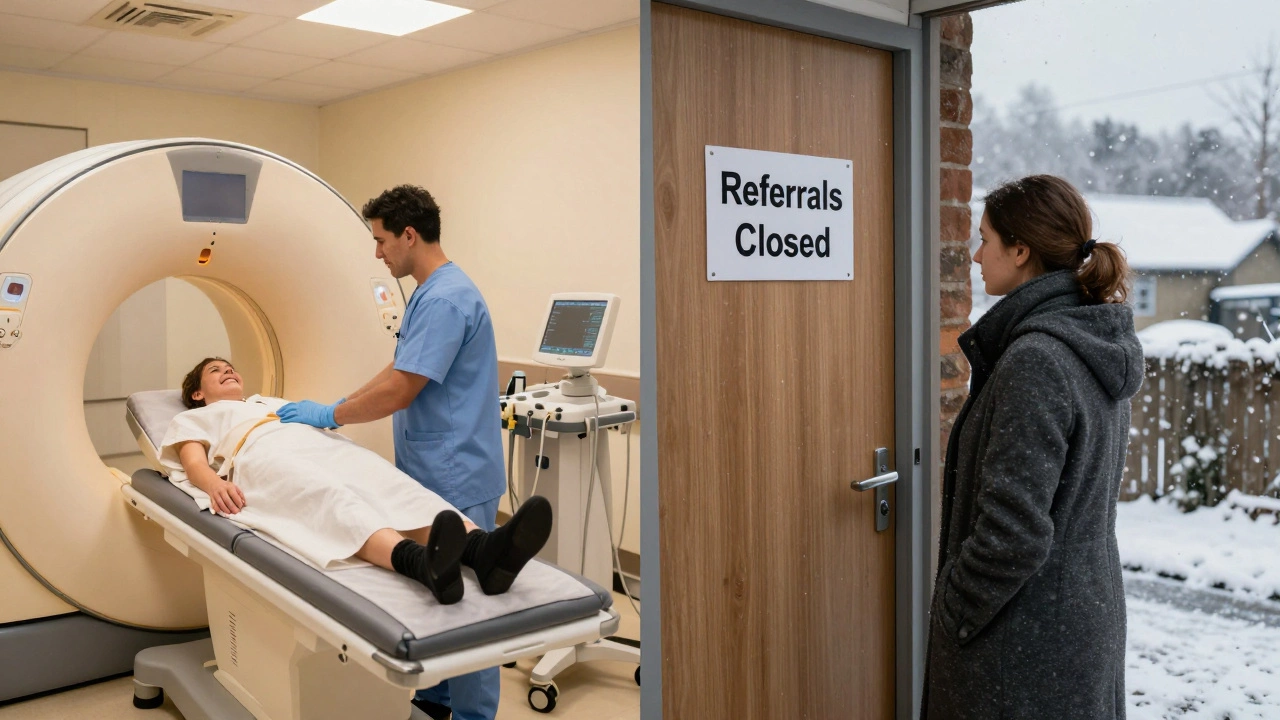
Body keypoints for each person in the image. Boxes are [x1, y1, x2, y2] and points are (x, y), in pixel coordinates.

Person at [276, 185, 507, 720]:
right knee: (439, 594)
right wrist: (337, 403)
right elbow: (400, 368)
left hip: (458, 471)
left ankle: (474, 715)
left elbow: (403, 390)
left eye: (381, 241)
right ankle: (435, 699)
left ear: (409, 234)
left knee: (471, 608)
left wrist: (331, 416)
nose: (376, 253)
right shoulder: (430, 292)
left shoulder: (447, 298)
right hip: (436, 470)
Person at [921, 175, 1143, 720]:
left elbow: (1013, 533)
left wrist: (955, 606)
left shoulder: (1038, 360)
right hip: (1076, 624)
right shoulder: (1090, 341)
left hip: (1021, 645)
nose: (975, 255)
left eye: (985, 239)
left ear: (1020, 251)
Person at [163, 357, 552, 605]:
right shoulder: (195, 418)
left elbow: (320, 416)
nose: (228, 369)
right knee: (332, 497)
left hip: (319, 442)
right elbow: (193, 461)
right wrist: (214, 484)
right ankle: (421, 564)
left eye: (231, 365)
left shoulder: (269, 402)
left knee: (389, 482)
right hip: (262, 456)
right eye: (216, 370)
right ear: (198, 392)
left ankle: (483, 550)